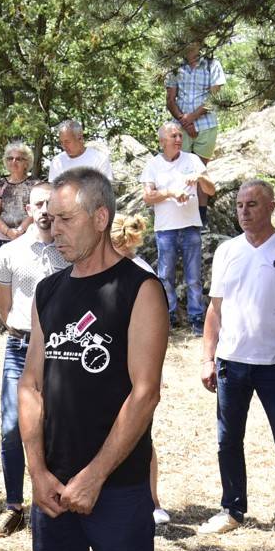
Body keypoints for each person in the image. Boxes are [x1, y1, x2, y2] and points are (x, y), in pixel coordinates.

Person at [19, 168, 168, 551]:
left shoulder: (139, 289)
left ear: (100, 218)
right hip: (54, 481)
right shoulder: (49, 290)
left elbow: (144, 394)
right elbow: (31, 383)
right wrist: (37, 470)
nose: (51, 227)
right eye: (49, 218)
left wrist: (97, 475)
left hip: (118, 485)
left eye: (64, 218)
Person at [198, 180, 275, 548]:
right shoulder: (227, 250)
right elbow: (216, 309)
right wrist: (207, 357)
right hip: (233, 362)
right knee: (228, 440)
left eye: (253, 204)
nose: (245, 212)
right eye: (240, 206)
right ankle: (232, 508)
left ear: (271, 206)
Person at [0, 181, 68, 540]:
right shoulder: (10, 252)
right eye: (38, 204)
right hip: (19, 349)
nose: (45, 210)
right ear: (28, 209)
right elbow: (4, 305)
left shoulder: (71, 251)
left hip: (62, 352)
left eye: (51, 203)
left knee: (55, 428)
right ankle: (13, 507)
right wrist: (20, 329)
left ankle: (51, 499)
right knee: (11, 427)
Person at [110, 213, 170, 525]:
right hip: (110, 362)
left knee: (140, 432)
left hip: (134, 364)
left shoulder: (140, 273)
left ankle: (152, 501)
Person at [141, 121, 213, 335]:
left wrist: (200, 177)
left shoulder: (192, 160)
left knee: (194, 277)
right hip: (165, 229)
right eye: (174, 136)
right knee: (165, 276)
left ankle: (196, 318)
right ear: (162, 141)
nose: (179, 139)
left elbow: (211, 189)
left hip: (191, 226)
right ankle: (169, 316)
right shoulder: (153, 165)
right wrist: (171, 193)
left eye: (180, 135)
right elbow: (147, 197)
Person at [165, 41, 226, 224]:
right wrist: (184, 120)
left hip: (206, 124)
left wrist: (190, 118)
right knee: (178, 169)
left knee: (200, 170)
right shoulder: (174, 66)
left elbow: (214, 97)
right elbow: (170, 99)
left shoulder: (212, 64)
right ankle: (179, 215)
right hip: (180, 126)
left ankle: (201, 218)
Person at [0, 141, 35, 255]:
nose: (14, 161)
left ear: (26, 163)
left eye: (18, 159)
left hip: (27, 238)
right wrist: (8, 232)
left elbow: (35, 211)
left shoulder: (35, 184)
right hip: (2, 239)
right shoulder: (0, 184)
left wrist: (19, 231)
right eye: (10, 158)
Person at [47, 120, 113, 182]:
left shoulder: (99, 159)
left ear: (80, 138)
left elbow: (106, 190)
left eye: (67, 142)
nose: (64, 146)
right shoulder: (57, 161)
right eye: (61, 142)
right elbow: (52, 189)